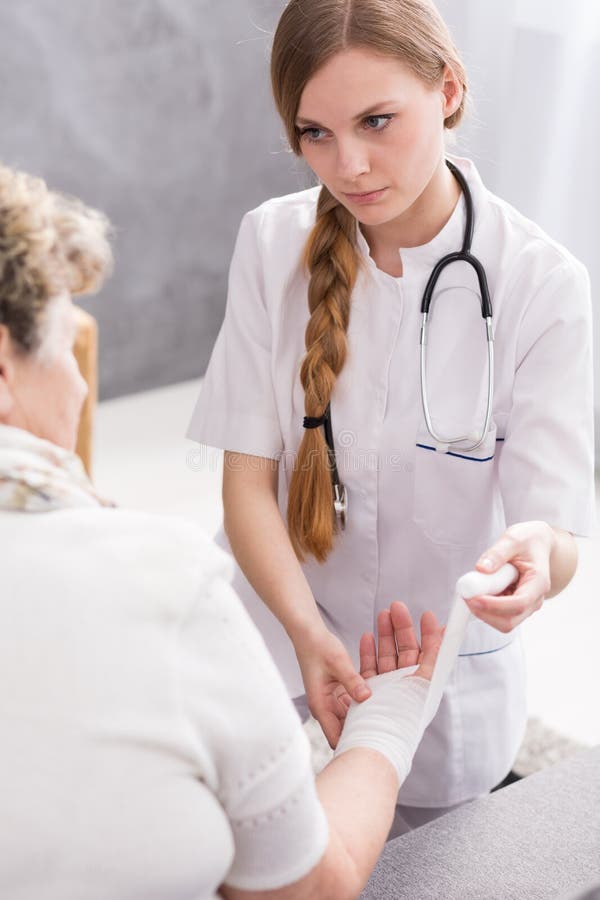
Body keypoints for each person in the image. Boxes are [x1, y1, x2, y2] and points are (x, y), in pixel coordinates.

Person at [187, 0, 595, 834]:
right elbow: (247, 482)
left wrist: (534, 565)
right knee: (214, 834)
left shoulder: (541, 285)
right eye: (316, 134)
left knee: (425, 867)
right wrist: (305, 630)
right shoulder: (272, 242)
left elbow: (555, 535)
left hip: (436, 657)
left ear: (448, 89)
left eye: (378, 120)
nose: (351, 165)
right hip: (273, 610)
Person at [0, 160, 450, 899]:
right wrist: (388, 729)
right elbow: (308, 887)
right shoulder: (161, 588)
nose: (81, 386)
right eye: (59, 347)